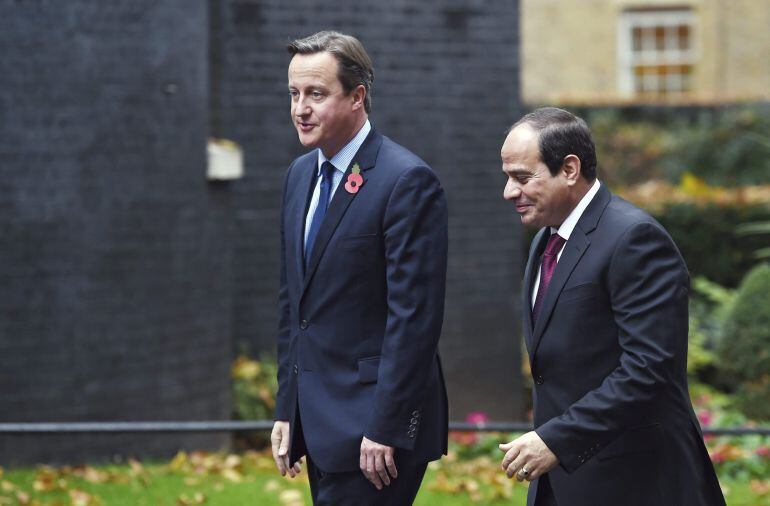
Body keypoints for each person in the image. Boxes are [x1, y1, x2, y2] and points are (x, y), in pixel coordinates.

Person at [498, 107, 726, 506]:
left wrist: (557, 438)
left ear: (570, 169)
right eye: (507, 178)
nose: (509, 192)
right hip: (563, 483)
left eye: (522, 177)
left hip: (637, 483)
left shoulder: (635, 239)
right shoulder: (544, 242)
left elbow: (650, 369)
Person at [270, 31, 449, 506]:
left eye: (316, 94)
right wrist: (287, 409)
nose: (300, 108)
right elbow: (295, 302)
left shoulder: (407, 181)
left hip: (375, 432)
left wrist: (387, 425)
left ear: (358, 96)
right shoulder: (299, 176)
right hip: (318, 420)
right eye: (294, 94)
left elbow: (415, 319)